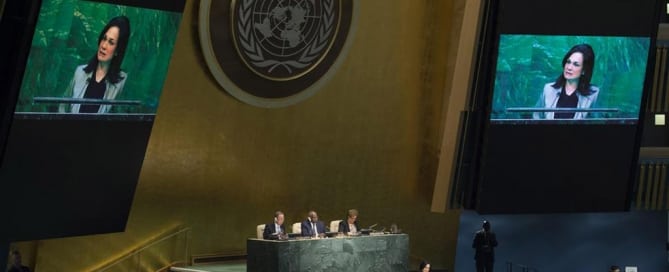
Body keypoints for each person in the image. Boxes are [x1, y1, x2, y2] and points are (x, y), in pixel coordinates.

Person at [59, 16, 131, 114]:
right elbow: (63, 108)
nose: (104, 46)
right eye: (104, 39)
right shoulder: (80, 72)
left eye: (111, 42)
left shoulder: (121, 82)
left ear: (117, 50)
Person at [533, 43, 599, 119]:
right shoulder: (548, 89)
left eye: (576, 64)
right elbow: (536, 117)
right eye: (568, 62)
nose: (569, 67)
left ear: (584, 70)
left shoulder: (594, 95)